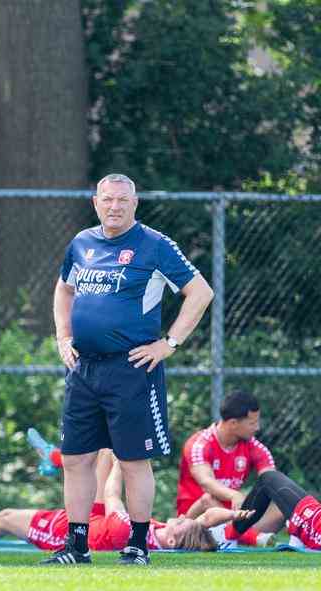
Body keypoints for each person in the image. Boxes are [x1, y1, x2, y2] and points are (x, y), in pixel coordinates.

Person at [50, 173, 215, 565]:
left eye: (123, 200)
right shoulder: (82, 243)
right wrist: (62, 336)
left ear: (135, 203)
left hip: (131, 369)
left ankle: (138, 545)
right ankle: (77, 547)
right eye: (108, 200)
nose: (115, 206)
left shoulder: (154, 245)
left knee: (131, 460)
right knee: (75, 459)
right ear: (96, 203)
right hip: (83, 369)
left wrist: (168, 344)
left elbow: (200, 292)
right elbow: (63, 289)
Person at [0, 450, 239, 554]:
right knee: (102, 448)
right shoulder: (161, 535)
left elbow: (113, 493)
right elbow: (201, 522)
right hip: (97, 519)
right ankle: (55, 457)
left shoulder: (128, 530)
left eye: (182, 522)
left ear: (172, 537)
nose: (182, 516)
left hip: (74, 530)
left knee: (6, 517)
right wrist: (235, 513)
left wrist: (124, 459)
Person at [177, 390, 277, 516]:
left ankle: (247, 533)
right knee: (208, 500)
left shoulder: (255, 447)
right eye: (252, 423)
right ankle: (249, 535)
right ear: (233, 423)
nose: (257, 428)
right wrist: (234, 495)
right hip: (194, 521)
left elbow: (272, 479)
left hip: (232, 515)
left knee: (278, 509)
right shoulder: (200, 445)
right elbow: (206, 482)